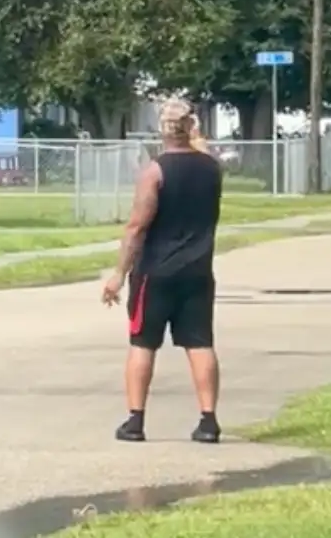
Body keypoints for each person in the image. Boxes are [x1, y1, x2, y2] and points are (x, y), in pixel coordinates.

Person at [101, 97, 223, 444]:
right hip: (198, 272)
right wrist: (195, 134)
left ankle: (135, 421)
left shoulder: (154, 172)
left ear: (161, 130)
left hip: (155, 273)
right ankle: (208, 420)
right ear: (191, 127)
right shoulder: (212, 168)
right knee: (200, 344)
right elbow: (201, 149)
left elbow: (137, 228)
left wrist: (118, 275)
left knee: (142, 343)